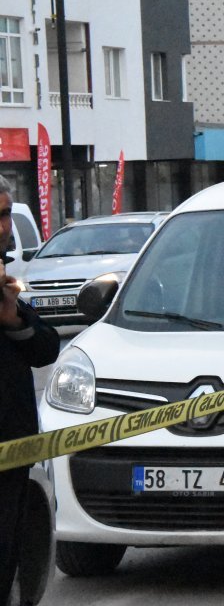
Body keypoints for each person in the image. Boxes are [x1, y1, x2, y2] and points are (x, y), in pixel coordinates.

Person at [0, 177, 60, 604]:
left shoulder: (7, 283)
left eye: (4, 214)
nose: (2, 225)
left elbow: (45, 346)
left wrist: (13, 321)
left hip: (12, 451)